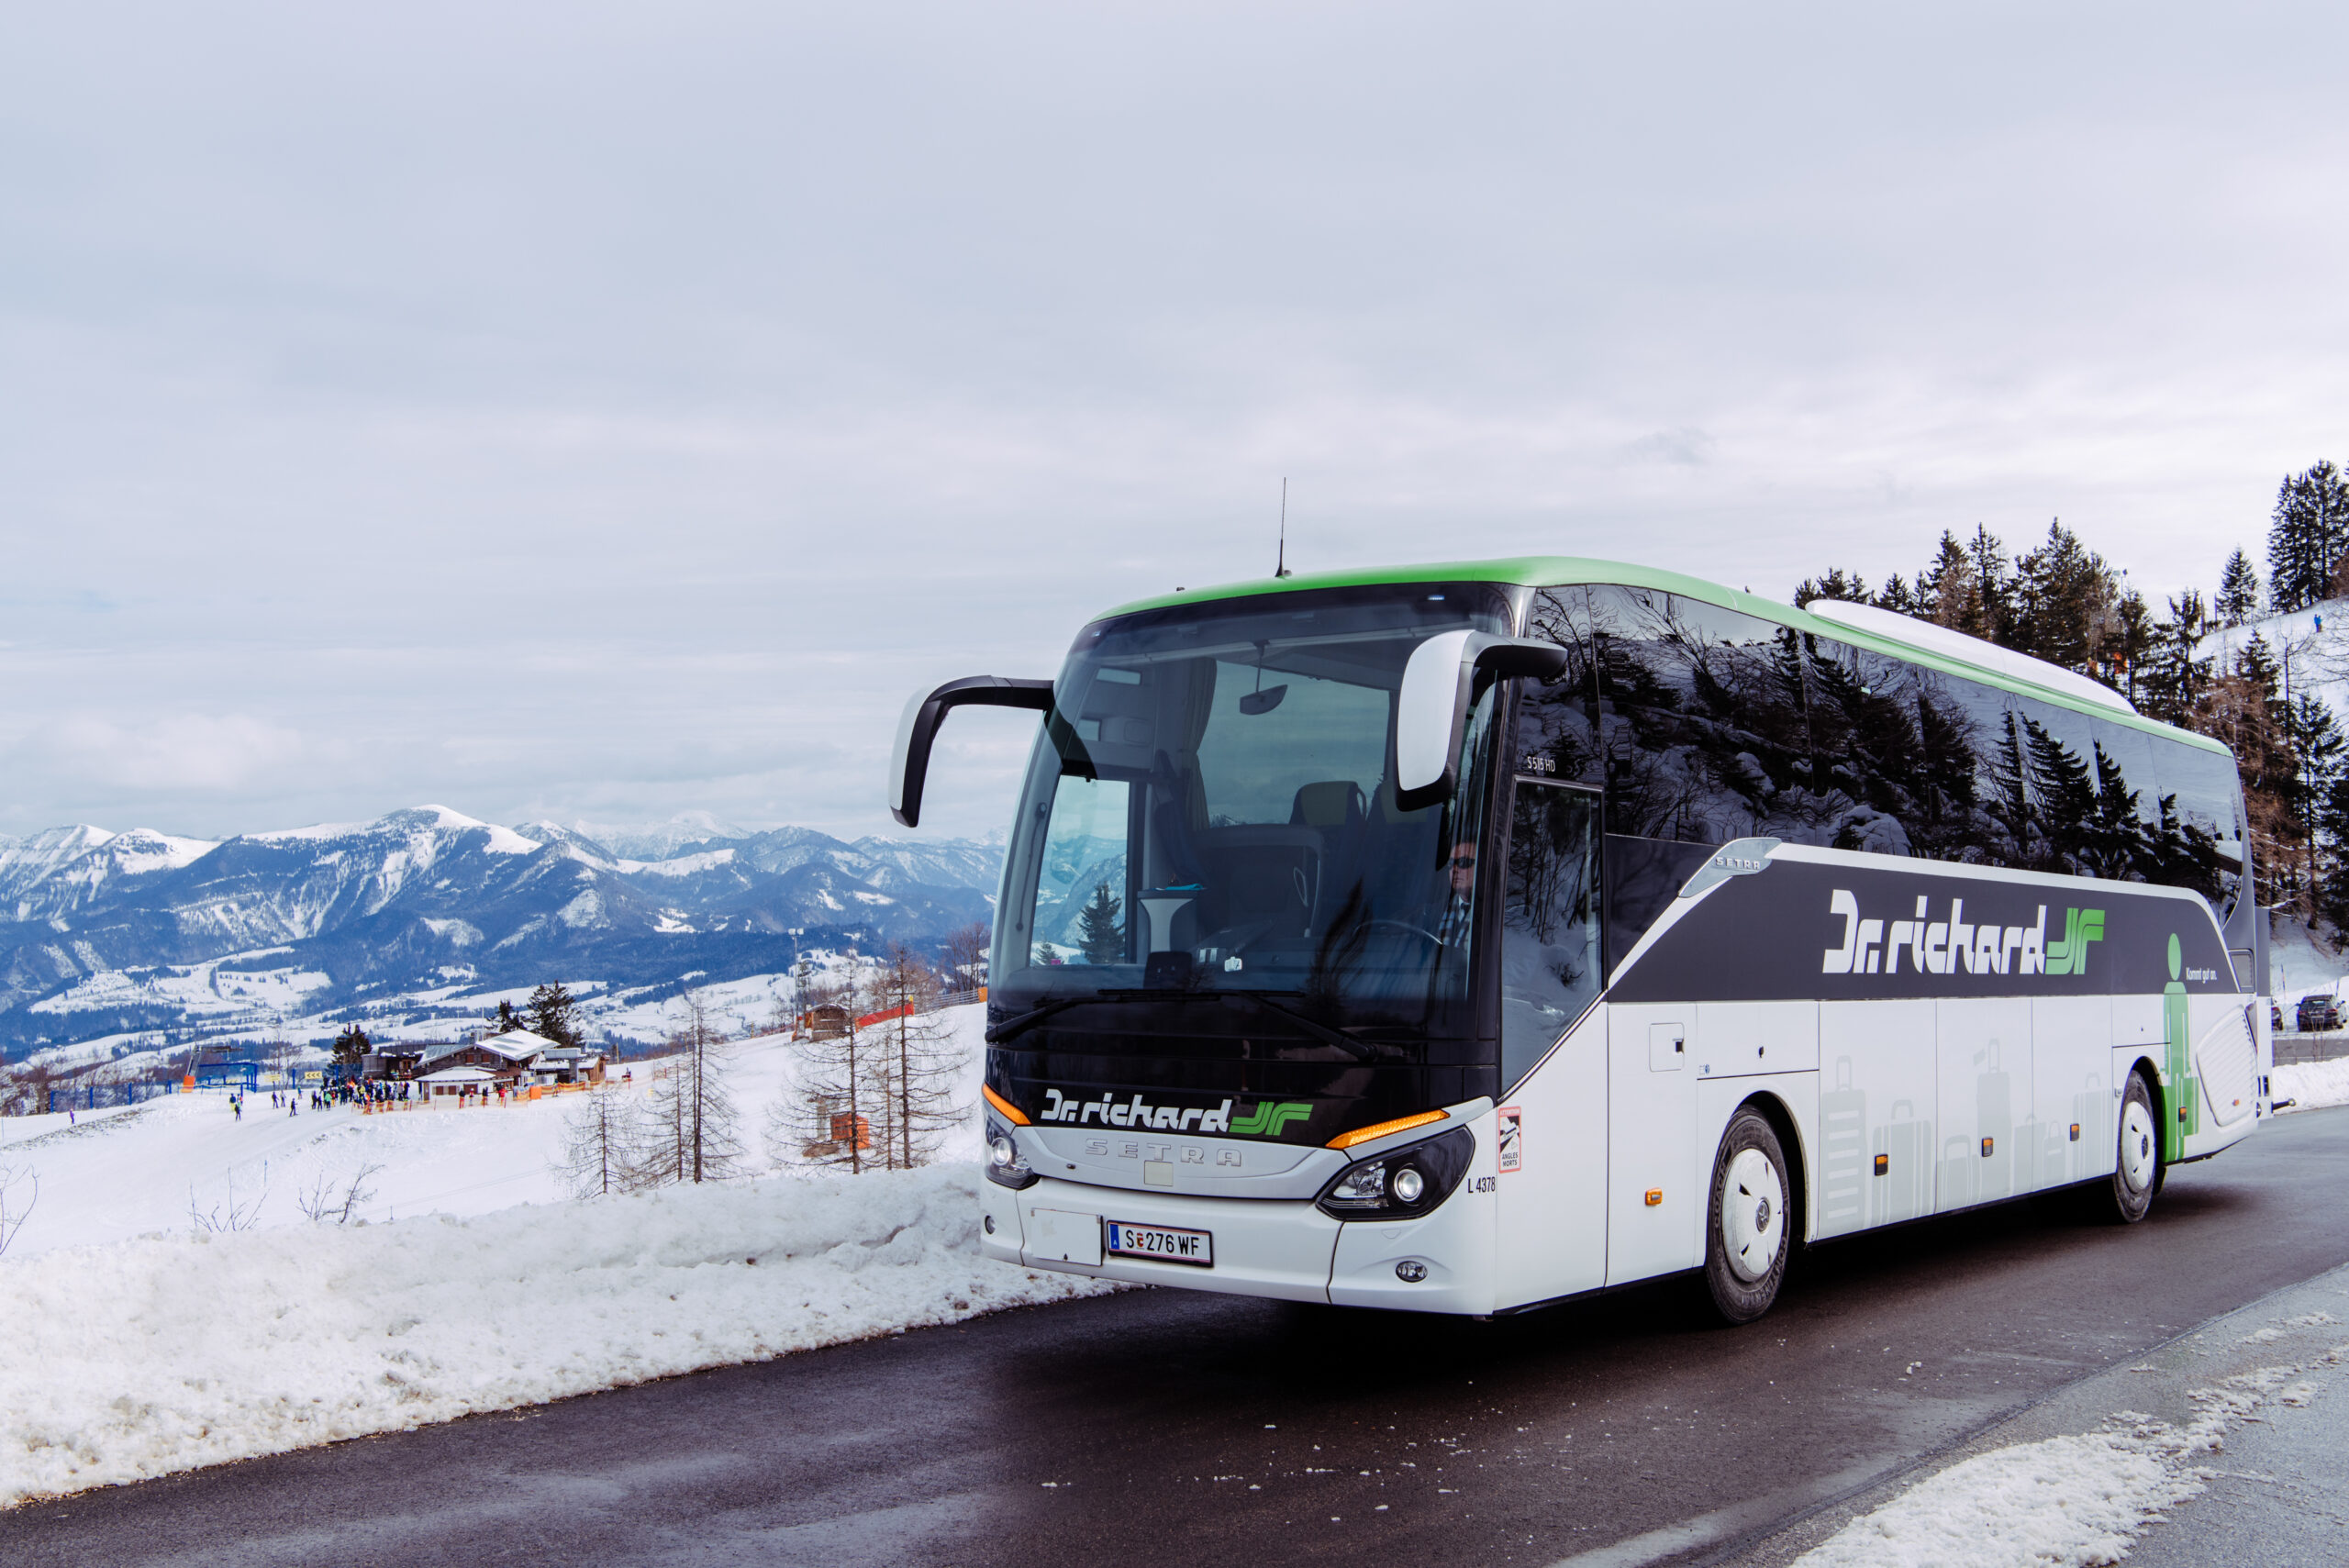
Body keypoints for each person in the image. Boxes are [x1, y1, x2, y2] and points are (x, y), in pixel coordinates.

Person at [1434, 839, 1478, 947]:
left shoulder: (1494, 918)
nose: (1454, 869)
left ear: (1480, 866)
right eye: (1451, 863)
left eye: (1463, 862)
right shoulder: (1435, 913)